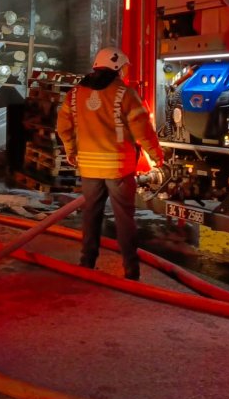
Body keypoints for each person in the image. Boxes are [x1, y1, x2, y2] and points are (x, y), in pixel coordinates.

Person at [55, 47, 165, 281]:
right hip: (118, 169)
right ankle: (130, 270)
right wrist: (157, 157)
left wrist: (71, 151)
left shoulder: (75, 94)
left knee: (91, 216)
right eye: (123, 67)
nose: (125, 72)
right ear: (116, 67)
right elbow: (142, 130)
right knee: (124, 219)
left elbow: (63, 127)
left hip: (89, 169)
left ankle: (87, 263)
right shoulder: (124, 93)